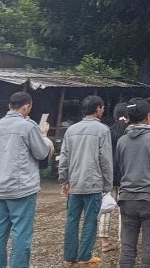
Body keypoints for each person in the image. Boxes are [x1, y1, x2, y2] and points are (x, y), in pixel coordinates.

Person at [0, 91, 54, 268]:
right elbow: (41, 152)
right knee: (21, 233)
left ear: (9, 106)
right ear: (26, 106)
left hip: (0, 185)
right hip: (22, 187)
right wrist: (43, 136)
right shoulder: (28, 126)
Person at [59, 95, 113, 265]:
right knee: (90, 220)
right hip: (93, 183)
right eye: (102, 108)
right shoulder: (103, 130)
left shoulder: (71, 130)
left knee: (72, 220)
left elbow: (64, 157)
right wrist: (108, 183)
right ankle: (84, 255)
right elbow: (105, 160)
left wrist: (64, 179)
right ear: (98, 109)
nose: (102, 110)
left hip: (74, 183)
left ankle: (69, 256)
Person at [116, 99, 150, 268]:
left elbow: (121, 168)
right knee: (149, 247)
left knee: (127, 247)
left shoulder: (122, 141)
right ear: (148, 116)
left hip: (127, 198)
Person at [98, 101, 129, 253]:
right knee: (125, 209)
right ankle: (123, 241)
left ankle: (104, 241)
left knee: (106, 206)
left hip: (109, 175)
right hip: (125, 175)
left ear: (115, 115)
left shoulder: (107, 131)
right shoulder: (129, 132)